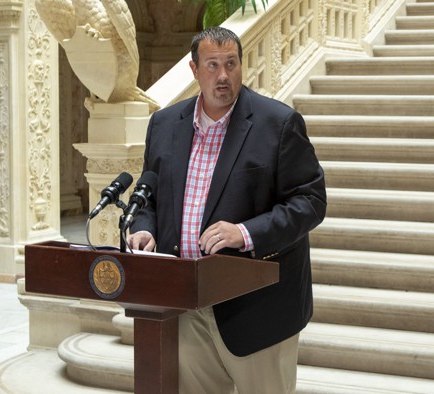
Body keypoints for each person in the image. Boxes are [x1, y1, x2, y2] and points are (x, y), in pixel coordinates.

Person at [127, 27, 326, 393]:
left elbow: (310, 201)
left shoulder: (278, 124)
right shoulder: (165, 125)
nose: (223, 75)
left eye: (231, 64)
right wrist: (144, 226)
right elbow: (149, 194)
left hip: (258, 309)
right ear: (194, 70)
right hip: (186, 306)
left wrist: (245, 233)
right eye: (213, 65)